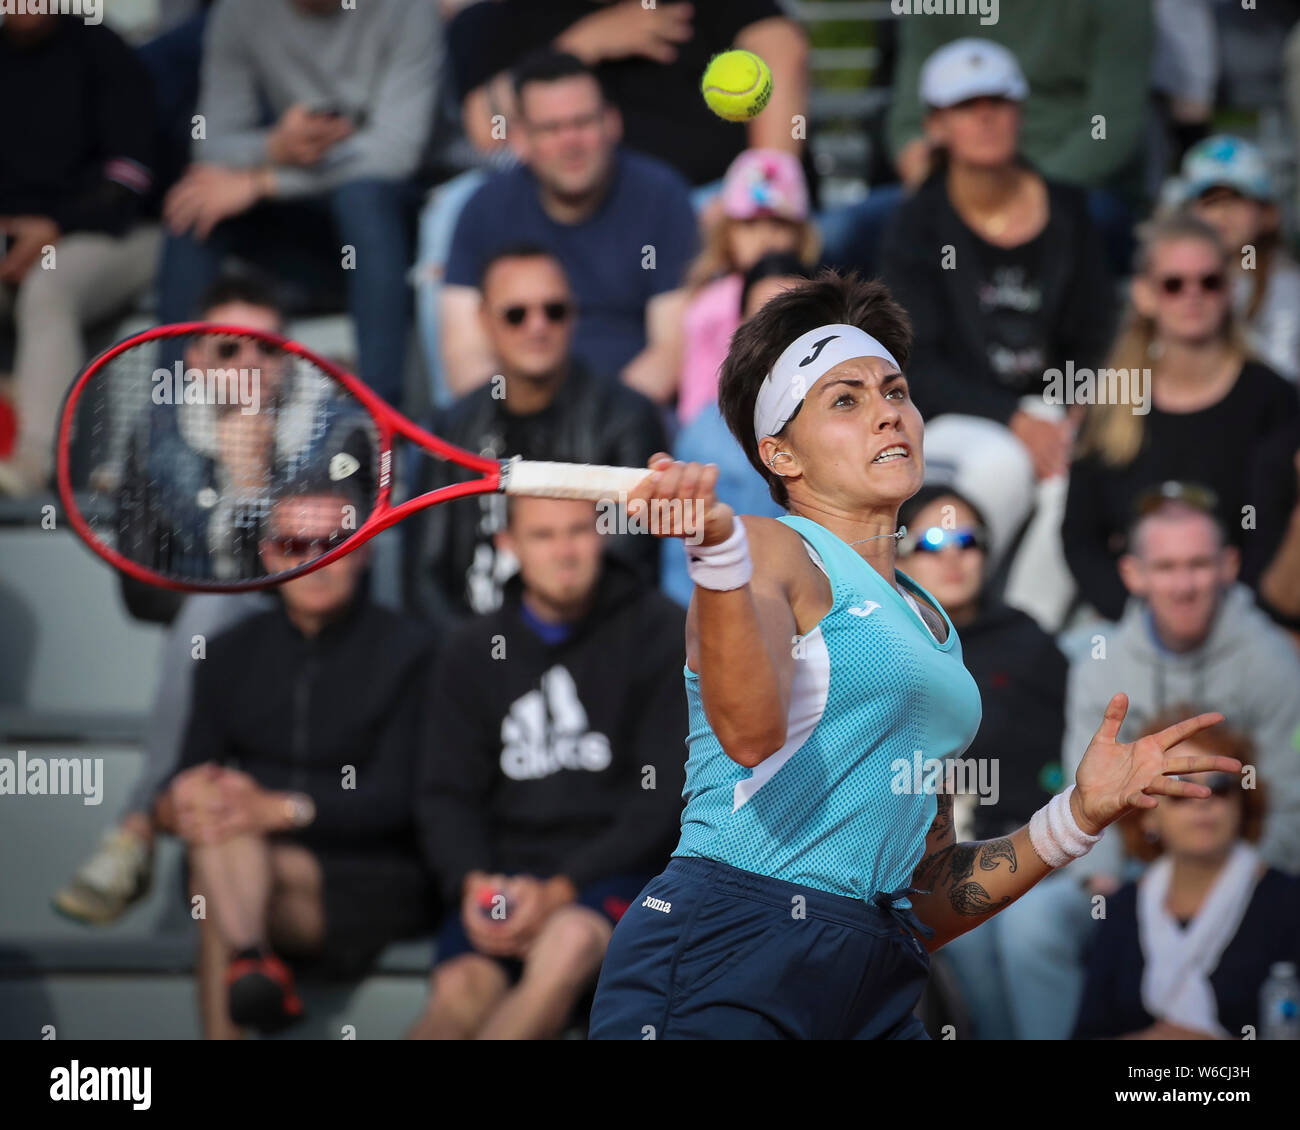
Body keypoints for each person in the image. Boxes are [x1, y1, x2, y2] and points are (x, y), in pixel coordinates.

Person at [586, 269, 1235, 1040]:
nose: (888, 415)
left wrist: (1076, 817)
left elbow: (925, 895)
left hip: (875, 970)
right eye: (846, 401)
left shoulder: (931, 624)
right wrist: (717, 554)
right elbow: (750, 731)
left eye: (895, 391)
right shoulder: (763, 548)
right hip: (728, 946)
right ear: (780, 455)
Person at [153, 478, 440, 1038]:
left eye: (331, 544)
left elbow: (402, 800)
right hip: (245, 869)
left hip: (375, 881)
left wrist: (281, 810)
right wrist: (180, 804)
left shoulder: (413, 651)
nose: (314, 562)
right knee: (218, 830)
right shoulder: (229, 655)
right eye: (292, 545)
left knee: (219, 871)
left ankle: (247, 968)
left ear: (364, 549)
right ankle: (254, 960)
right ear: (266, 553)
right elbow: (185, 777)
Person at [411, 496, 686, 1039]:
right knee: (460, 991)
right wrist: (474, 883)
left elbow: (663, 801)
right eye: (542, 536)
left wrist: (560, 890)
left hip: (623, 878)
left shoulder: (661, 630)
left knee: (566, 945)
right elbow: (444, 794)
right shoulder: (471, 648)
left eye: (578, 531)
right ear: (507, 546)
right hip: (505, 877)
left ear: (602, 535)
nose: (564, 552)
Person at [879, 38, 1114, 629]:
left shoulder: (1070, 212)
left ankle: (1021, 634)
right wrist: (1016, 418)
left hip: (1053, 409)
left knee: (1074, 479)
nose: (986, 116)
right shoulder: (915, 224)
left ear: (1020, 111)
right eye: (966, 105)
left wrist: (1079, 409)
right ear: (936, 124)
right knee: (1005, 464)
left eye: (999, 101)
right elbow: (913, 361)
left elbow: (1098, 336)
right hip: (951, 415)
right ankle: (940, 624)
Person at [155, 0, 438, 407]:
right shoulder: (239, 12)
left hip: (396, 224)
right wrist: (274, 146)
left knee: (363, 199)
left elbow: (396, 153)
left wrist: (264, 180)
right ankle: (168, 422)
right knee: (196, 203)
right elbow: (211, 146)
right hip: (306, 225)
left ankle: (380, 421)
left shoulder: (409, 10)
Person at [405, 245, 666, 626]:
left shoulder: (626, 418)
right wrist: (468, 661)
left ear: (574, 315)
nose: (537, 325)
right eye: (516, 314)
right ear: (483, 320)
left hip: (591, 653)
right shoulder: (452, 428)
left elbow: (628, 567)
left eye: (554, 310)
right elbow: (425, 579)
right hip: (471, 659)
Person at [892, 484, 1069, 1040]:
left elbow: (1076, 751)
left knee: (1020, 933)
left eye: (967, 540)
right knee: (965, 944)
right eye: (934, 540)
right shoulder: (888, 641)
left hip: (1030, 842)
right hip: (919, 856)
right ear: (899, 555)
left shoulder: (1027, 640)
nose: (952, 555)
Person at [1065, 214, 1300, 621]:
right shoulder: (1114, 400)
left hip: (1245, 625)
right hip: (1130, 624)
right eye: (1173, 284)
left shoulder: (1274, 399)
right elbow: (1081, 536)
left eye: (1209, 281)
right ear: (1144, 294)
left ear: (1229, 289)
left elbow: (1269, 539)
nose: (1193, 295)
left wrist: (1210, 625)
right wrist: (1140, 619)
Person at [1064, 492, 1300, 887]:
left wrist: (1242, 893)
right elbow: (1084, 796)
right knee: (1035, 919)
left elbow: (1290, 803)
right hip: (1130, 872)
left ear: (1229, 565)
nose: (1183, 586)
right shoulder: (1100, 667)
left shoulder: (1272, 660)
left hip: (1242, 870)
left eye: (1199, 564)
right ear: (1132, 574)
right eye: (1165, 567)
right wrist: (1104, 887)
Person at [438, 50, 697, 403]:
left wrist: (600, 425)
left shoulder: (662, 197)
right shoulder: (483, 209)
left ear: (612, 123)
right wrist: (516, 424)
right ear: (519, 140)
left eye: (583, 123)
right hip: (516, 421)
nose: (570, 142)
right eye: (551, 129)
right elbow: (465, 353)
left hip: (631, 420)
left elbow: (672, 348)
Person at [0, 9, 158, 496]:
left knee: (47, 289)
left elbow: (131, 175)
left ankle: (30, 468)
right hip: (14, 239)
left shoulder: (102, 49)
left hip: (118, 235)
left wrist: (55, 226)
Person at [1074, 718, 1300, 1040]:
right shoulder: (1121, 908)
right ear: (1146, 813)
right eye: (1179, 788)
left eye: (1220, 787)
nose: (1203, 799)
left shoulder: (1289, 904)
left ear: (1243, 804)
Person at [445, 0, 808, 189]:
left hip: (709, 202)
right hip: (565, 209)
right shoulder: (507, 17)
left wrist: (757, 198)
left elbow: (783, 50)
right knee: (452, 209)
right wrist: (582, 45)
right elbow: (486, 126)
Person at [660, 251, 809, 607]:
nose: (780, 338)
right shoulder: (704, 433)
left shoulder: (857, 420)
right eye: (764, 320)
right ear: (742, 330)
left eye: (795, 322)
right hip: (733, 617)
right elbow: (681, 569)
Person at [676, 150, 820, 427]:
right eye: (750, 224)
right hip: (726, 425)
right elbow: (695, 406)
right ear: (727, 232)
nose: (765, 237)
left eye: (778, 224)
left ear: (800, 234)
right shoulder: (707, 306)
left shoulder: (816, 296)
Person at [1171, 134, 1300, 384]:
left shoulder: (1285, 285)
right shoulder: (1170, 282)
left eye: (1236, 199)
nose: (1222, 213)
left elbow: (1284, 377)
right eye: (1209, 202)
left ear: (1267, 214)